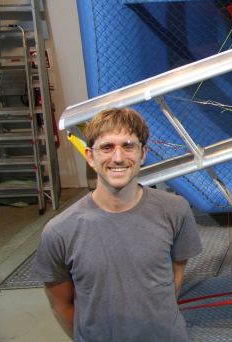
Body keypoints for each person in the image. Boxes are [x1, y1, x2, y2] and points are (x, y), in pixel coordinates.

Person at [33, 108, 202, 341]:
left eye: (128, 145)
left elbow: (173, 281)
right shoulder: (59, 231)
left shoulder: (175, 211)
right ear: (90, 156)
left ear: (143, 153)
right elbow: (61, 305)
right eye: (106, 147)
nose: (119, 157)